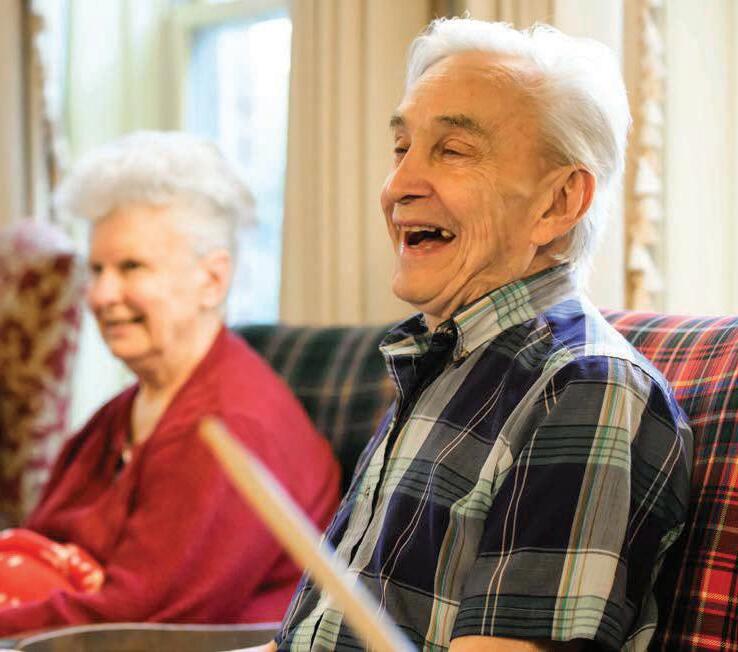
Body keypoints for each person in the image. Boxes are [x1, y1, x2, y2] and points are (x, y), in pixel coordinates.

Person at [257, 18, 692, 652]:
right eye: (401, 147)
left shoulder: (585, 388)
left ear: (558, 203)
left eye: (453, 151)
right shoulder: (440, 364)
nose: (397, 187)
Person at [0, 131, 341, 636]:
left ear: (212, 280)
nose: (101, 295)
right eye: (96, 269)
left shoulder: (230, 428)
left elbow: (131, 623)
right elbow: (41, 541)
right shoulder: (123, 411)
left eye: (131, 267)